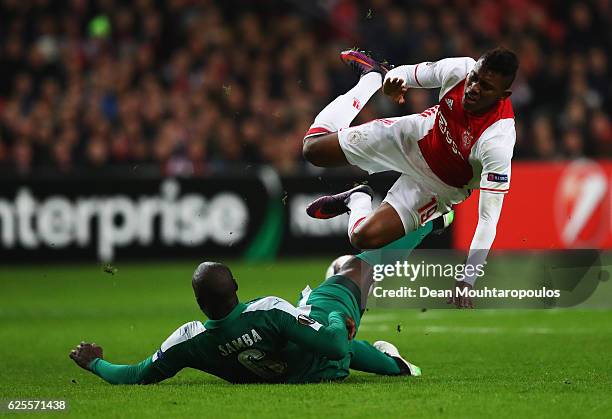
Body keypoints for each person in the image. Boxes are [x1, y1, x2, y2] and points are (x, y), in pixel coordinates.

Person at [68, 218, 451, 384]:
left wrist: (96, 362)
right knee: (352, 268)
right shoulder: (267, 310)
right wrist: (336, 319)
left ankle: (397, 365)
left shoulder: (189, 342)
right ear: (235, 284)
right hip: (323, 363)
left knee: (335, 297)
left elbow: (136, 374)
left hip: (302, 366)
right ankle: (433, 222)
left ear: (200, 304)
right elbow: (335, 345)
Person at [302, 48, 519, 308]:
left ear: (503, 96)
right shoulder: (459, 69)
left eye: (485, 87)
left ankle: (357, 198)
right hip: (413, 136)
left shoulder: (498, 141)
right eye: (474, 77)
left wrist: (468, 277)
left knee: (362, 238)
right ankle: (371, 78)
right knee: (313, 149)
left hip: (436, 187)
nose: (473, 88)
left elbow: (488, 218)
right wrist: (391, 82)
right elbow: (405, 73)